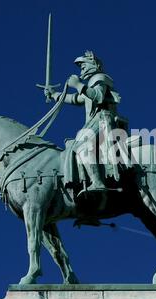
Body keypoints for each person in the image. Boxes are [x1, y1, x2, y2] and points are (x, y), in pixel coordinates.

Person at [46, 51, 124, 196]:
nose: (81, 70)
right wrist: (54, 95)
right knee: (74, 145)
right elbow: (76, 99)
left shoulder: (100, 78)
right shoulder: (90, 84)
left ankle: (98, 182)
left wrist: (77, 84)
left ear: (93, 65)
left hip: (102, 119)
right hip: (94, 122)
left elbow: (98, 96)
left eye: (83, 66)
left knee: (82, 146)